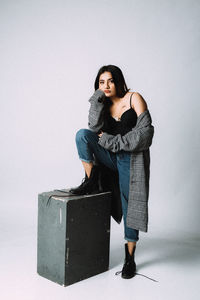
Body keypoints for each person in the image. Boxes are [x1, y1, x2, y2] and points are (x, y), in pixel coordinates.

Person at [69, 64, 154, 280]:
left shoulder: (134, 98)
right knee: (82, 135)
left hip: (130, 159)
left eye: (110, 81)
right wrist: (98, 97)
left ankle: (129, 258)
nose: (106, 85)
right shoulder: (103, 103)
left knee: (130, 205)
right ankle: (92, 179)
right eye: (101, 82)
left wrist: (115, 142)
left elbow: (146, 134)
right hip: (109, 158)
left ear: (118, 81)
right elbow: (93, 126)